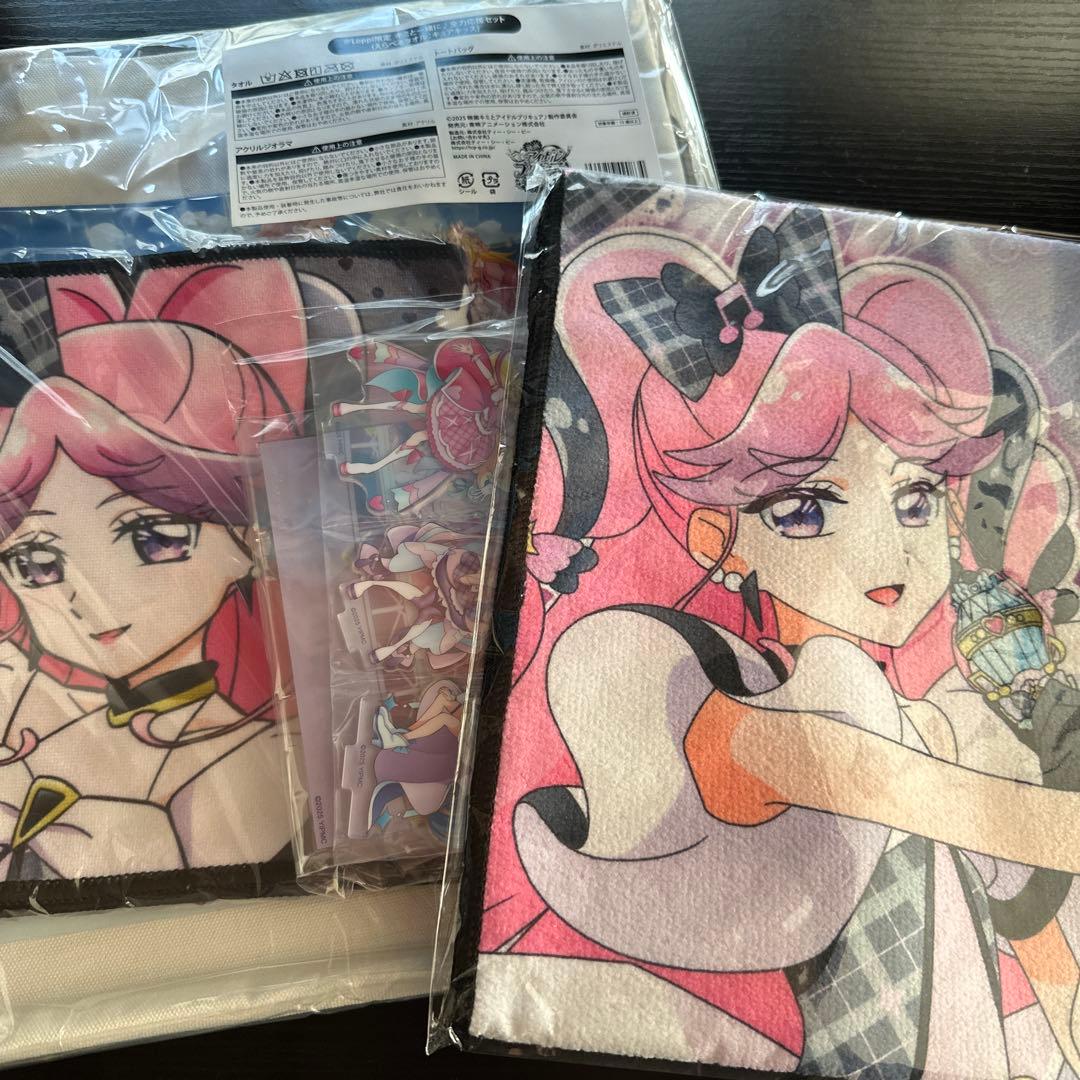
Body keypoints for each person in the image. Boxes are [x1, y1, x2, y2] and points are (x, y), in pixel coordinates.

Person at [475, 207, 1080, 1076]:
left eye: (914, 500)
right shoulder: (715, 694)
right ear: (717, 539)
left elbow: (1034, 934)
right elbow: (935, 797)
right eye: (803, 510)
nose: (886, 556)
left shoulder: (919, 714)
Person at [0, 261, 311, 880]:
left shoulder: (266, 747)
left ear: (247, 537)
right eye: (35, 563)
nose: (92, 597)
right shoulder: (29, 701)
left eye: (154, 540)